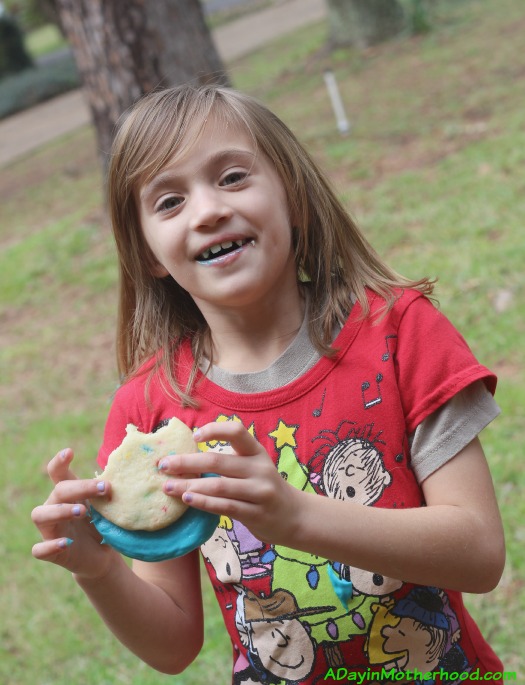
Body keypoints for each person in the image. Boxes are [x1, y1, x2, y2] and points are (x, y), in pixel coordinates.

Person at [31, 84, 506, 683]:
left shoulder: (399, 333)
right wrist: (98, 572)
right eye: (170, 201)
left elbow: (479, 554)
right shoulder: (147, 410)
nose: (207, 211)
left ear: (295, 197)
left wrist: (297, 517)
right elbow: (173, 644)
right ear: (148, 251)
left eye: (232, 177)